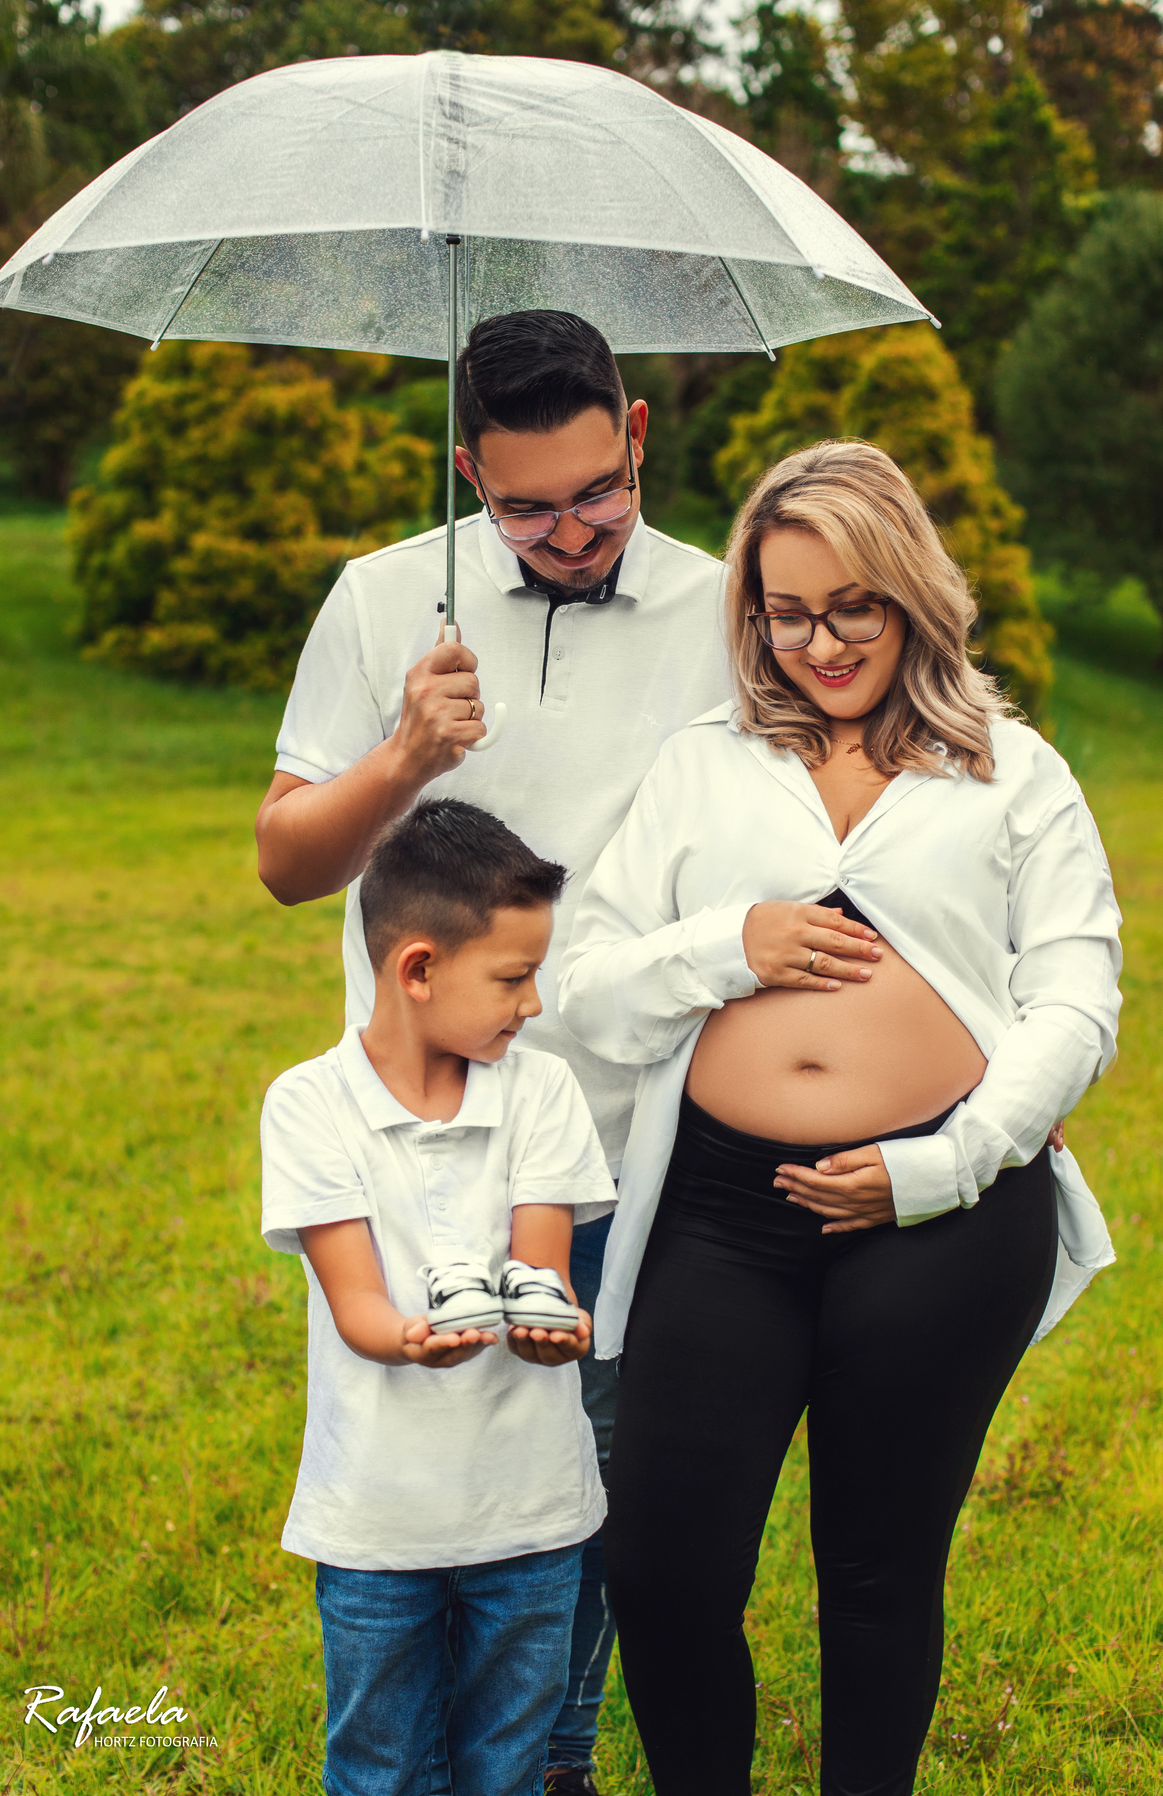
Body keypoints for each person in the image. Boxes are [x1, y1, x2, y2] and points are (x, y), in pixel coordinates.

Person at [557, 440, 1121, 1796]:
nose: (820, 644)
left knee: (875, 1571)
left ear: (912, 594)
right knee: (662, 1566)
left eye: (853, 607)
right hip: (722, 1211)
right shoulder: (705, 767)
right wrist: (730, 944)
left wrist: (944, 1163)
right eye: (787, 612)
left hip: (945, 1219)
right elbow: (587, 987)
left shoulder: (1013, 773)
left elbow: (1075, 1000)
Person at [255, 309, 730, 1792]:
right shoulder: (382, 595)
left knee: (579, 1473)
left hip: (631, 1132)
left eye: (600, 493)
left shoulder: (723, 611)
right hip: (418, 1142)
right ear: (469, 471)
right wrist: (405, 753)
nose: (573, 533)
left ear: (637, 435)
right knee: (424, 1458)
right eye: (529, 509)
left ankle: (553, 1758)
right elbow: (285, 861)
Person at [261, 799, 616, 1796]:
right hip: (379, 1520)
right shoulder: (309, 1104)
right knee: (381, 1764)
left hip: (530, 1510)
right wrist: (413, 1338)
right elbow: (358, 1305)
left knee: (509, 1762)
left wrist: (553, 1326)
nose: (533, 1004)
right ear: (416, 969)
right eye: (512, 978)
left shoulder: (541, 1092)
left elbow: (541, 1264)